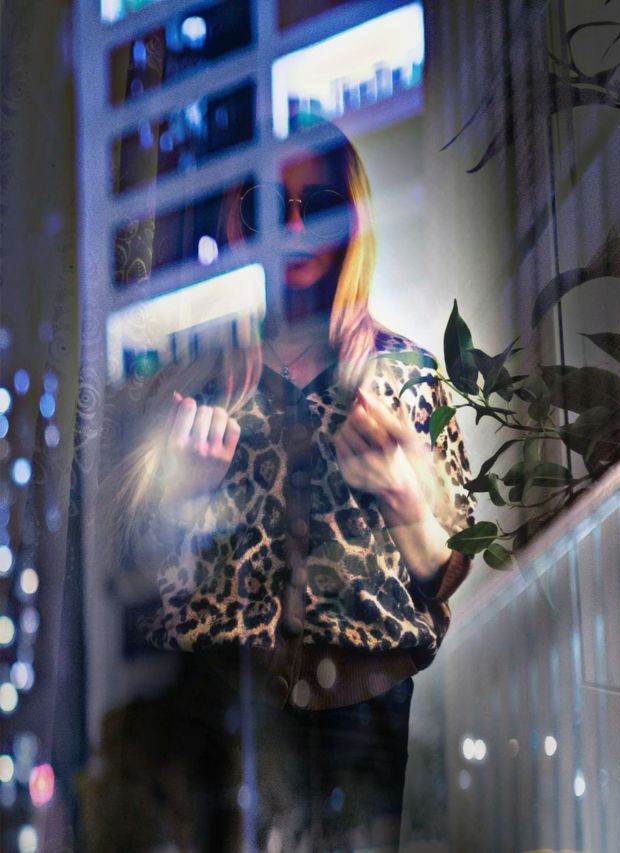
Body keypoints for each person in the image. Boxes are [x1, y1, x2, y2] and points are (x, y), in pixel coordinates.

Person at [122, 121, 475, 852]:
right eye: (262, 206)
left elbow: (448, 566)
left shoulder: (407, 374)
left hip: (367, 700)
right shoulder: (190, 380)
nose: (290, 228)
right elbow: (132, 574)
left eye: (316, 204)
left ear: (351, 216)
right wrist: (182, 499)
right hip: (224, 709)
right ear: (233, 222)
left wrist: (406, 500)